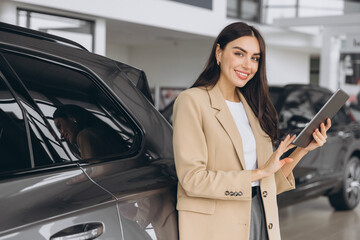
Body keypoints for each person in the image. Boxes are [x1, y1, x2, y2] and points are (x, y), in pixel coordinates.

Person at [172, 22, 331, 240]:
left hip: (260, 213)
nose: (248, 65)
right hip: (217, 225)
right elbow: (192, 179)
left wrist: (304, 149)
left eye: (255, 58)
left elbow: (269, 180)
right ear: (219, 53)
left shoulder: (254, 108)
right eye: (239, 54)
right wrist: (259, 173)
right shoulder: (192, 101)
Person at [53, 104, 128, 159]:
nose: (61, 135)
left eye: (59, 126)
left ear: (71, 117)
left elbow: (94, 173)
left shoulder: (85, 135)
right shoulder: (98, 134)